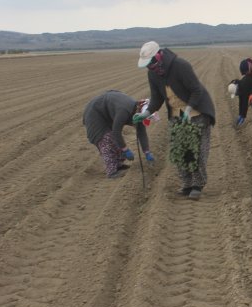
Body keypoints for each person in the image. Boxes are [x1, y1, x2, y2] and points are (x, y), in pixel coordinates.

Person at [133, 41, 215, 200]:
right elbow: (157, 98)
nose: (150, 67)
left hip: (198, 112)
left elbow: (196, 90)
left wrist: (189, 108)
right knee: (179, 151)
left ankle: (197, 185)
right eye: (147, 65)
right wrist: (146, 113)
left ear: (158, 56)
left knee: (195, 151)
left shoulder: (180, 65)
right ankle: (187, 184)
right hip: (176, 114)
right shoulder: (153, 73)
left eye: (151, 63)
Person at [83, 90, 154, 179]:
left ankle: (118, 165)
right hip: (94, 115)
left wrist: (147, 152)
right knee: (107, 140)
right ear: (139, 109)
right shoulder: (124, 110)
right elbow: (116, 131)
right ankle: (111, 171)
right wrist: (126, 150)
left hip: (105, 116)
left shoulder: (137, 112)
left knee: (115, 140)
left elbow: (141, 132)